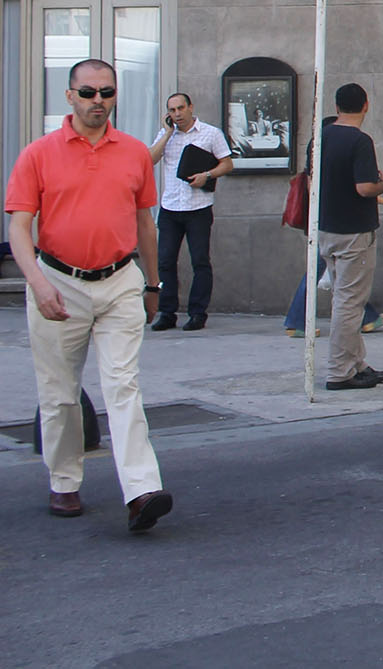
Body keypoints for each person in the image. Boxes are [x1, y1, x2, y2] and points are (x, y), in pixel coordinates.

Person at [5, 59, 174, 530]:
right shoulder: (38, 154)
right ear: (69, 96)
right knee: (59, 394)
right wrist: (38, 285)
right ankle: (64, 481)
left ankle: (142, 492)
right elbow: (19, 227)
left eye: (106, 92)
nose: (97, 101)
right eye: (87, 93)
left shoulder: (135, 152)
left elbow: (145, 222)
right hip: (57, 280)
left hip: (119, 280)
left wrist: (153, 283)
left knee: (124, 386)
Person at [317, 84, 383, 391]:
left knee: (343, 299)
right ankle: (340, 371)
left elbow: (312, 177)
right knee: (350, 304)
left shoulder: (321, 135)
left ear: (337, 106)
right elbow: (365, 187)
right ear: (366, 105)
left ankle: (356, 363)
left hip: (326, 227)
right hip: (353, 231)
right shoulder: (360, 141)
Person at [147, 91, 233, 332]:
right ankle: (167, 312)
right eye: (172, 110)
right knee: (165, 261)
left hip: (198, 207)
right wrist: (166, 134)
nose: (177, 114)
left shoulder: (210, 133)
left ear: (190, 107)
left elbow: (227, 163)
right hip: (171, 206)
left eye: (181, 108)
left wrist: (206, 175)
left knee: (200, 261)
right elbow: (148, 160)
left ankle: (198, 312)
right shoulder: (167, 135)